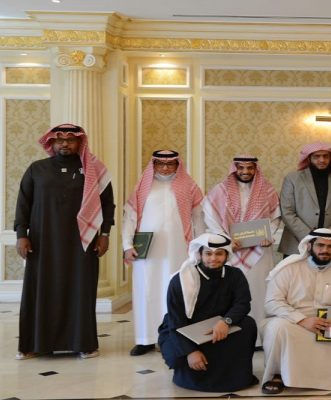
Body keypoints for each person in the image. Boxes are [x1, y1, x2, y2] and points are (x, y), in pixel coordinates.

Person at [14, 123, 115, 360]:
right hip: (42, 242)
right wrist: (21, 235)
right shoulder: (37, 169)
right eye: (59, 139)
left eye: (71, 139)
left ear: (80, 142)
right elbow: (23, 204)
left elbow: (107, 204)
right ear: (51, 142)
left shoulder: (93, 170)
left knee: (80, 290)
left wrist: (105, 234)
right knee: (40, 290)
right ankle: (33, 345)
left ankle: (83, 343)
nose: (65, 144)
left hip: (82, 242)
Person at [122, 150, 205, 356]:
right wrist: (127, 245)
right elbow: (129, 218)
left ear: (178, 165)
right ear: (154, 165)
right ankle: (145, 339)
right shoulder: (142, 187)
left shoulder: (189, 186)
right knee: (146, 291)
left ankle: (173, 337)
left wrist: (200, 246)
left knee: (175, 291)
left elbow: (198, 218)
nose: (165, 168)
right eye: (160, 164)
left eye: (170, 164)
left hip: (179, 249)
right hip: (148, 251)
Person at [261, 229, 331, 395]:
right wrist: (302, 320)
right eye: (320, 245)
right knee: (278, 327)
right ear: (309, 246)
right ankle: (276, 375)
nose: (325, 250)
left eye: (330, 246)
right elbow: (272, 303)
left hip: (327, 327)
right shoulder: (288, 269)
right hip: (292, 323)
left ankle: (321, 378)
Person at [158, 233, 258, 392]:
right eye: (208, 253)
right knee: (179, 353)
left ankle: (236, 377)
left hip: (220, 327)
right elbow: (176, 320)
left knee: (248, 324)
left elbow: (243, 304)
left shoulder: (235, 275)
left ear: (226, 255)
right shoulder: (181, 280)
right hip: (185, 329)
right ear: (200, 254)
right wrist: (190, 351)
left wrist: (226, 321)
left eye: (219, 253)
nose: (213, 258)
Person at [204, 154, 281, 348]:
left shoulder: (267, 190)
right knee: (232, 293)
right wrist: (226, 241)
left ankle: (260, 339)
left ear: (255, 169)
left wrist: (268, 235)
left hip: (260, 252)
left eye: (250, 168)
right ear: (234, 168)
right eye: (241, 168)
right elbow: (211, 216)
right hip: (230, 251)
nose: (245, 171)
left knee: (259, 291)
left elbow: (275, 217)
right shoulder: (220, 190)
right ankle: (231, 336)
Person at [278, 142, 331, 261]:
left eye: (325, 156)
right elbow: (287, 212)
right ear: (309, 158)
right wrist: (310, 237)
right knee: (296, 274)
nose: (322, 160)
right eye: (317, 156)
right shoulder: (293, 178)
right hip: (297, 243)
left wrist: (328, 236)